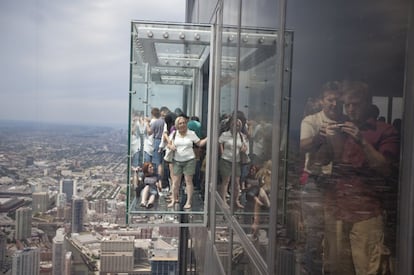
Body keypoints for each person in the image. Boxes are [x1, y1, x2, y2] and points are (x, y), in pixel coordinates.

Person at [322, 81, 400, 274]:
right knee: (337, 268)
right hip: (337, 209)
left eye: (355, 104)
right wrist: (326, 139)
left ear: (367, 103)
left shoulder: (384, 130)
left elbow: (385, 168)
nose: (350, 109)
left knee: (368, 268)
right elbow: (321, 161)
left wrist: (362, 141)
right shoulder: (340, 129)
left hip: (367, 212)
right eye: (346, 105)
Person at [299, 81, 344, 274]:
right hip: (316, 182)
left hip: (339, 184)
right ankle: (312, 270)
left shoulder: (346, 121)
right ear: (322, 100)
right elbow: (304, 145)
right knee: (315, 232)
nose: (334, 103)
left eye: (337, 99)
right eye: (330, 99)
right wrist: (322, 136)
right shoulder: (311, 121)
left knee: (336, 235)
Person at [167, 115, 207, 209]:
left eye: (184, 123)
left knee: (188, 181)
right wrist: (171, 147)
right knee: (176, 182)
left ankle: (189, 201)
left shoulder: (191, 133)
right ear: (177, 125)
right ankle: (173, 199)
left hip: (189, 160)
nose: (182, 125)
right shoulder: (174, 134)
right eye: (180, 123)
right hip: (177, 160)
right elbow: (168, 144)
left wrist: (208, 138)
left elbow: (199, 143)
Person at [218, 117, 248, 209]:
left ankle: (236, 200)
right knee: (226, 181)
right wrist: (222, 153)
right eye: (234, 124)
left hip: (237, 161)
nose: (236, 126)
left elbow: (245, 148)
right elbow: (220, 143)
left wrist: (244, 149)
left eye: (238, 125)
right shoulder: (225, 134)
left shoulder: (242, 136)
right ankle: (223, 201)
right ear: (230, 125)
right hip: (226, 160)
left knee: (236, 183)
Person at [145, 107, 165, 174]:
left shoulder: (155, 122)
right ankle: (161, 179)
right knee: (161, 162)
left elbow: (149, 132)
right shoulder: (163, 122)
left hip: (156, 141)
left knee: (157, 162)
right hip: (163, 141)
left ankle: (158, 179)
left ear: (152, 114)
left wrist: (147, 124)